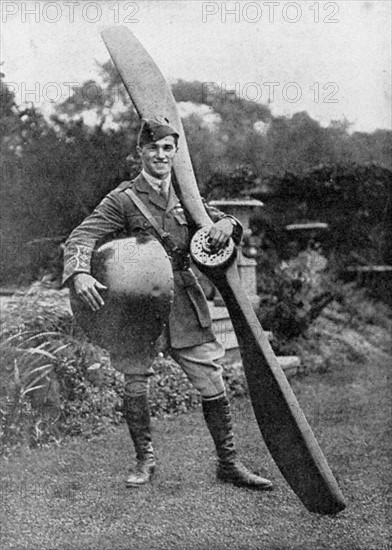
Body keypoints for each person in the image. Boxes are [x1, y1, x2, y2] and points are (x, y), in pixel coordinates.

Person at [63, 116, 273, 491]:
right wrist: (79, 274)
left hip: (183, 299)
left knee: (210, 378)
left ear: (175, 154)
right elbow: (82, 236)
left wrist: (228, 225)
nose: (160, 155)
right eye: (153, 148)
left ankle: (229, 462)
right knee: (135, 381)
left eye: (167, 149)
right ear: (140, 153)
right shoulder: (123, 199)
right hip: (138, 302)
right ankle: (144, 460)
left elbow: (217, 220)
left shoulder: (186, 196)